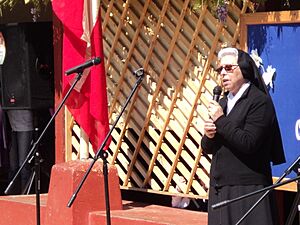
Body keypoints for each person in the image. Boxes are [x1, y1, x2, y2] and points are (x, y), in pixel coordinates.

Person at [201, 47, 286, 225]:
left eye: (229, 68)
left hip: (248, 189)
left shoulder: (259, 102)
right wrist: (208, 135)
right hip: (220, 187)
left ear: (244, 69)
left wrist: (220, 120)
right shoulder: (222, 103)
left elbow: (249, 143)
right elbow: (208, 148)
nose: (223, 73)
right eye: (220, 69)